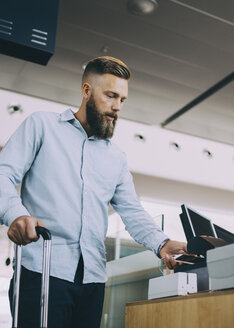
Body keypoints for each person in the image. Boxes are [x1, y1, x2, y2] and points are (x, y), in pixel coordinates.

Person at [0, 56, 187, 328]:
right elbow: (3, 174)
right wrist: (16, 214)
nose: (116, 107)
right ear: (86, 91)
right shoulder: (42, 126)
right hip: (42, 271)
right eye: (110, 96)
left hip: (93, 280)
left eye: (122, 100)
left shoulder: (116, 158)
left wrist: (161, 243)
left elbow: (132, 211)